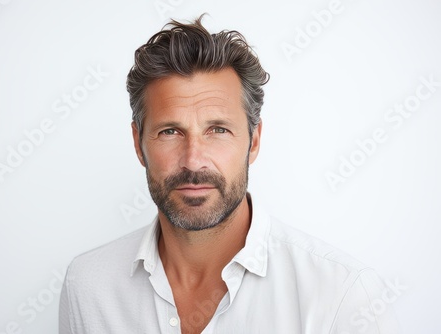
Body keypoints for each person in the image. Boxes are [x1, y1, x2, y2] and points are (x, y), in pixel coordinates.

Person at [59, 15, 400, 334]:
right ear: (138, 143)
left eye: (218, 130)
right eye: (170, 132)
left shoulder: (343, 296)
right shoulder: (89, 285)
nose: (193, 161)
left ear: (254, 141)